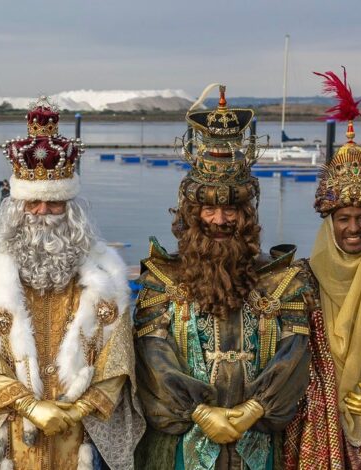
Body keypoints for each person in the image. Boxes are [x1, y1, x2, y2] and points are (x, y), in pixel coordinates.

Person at [0, 97, 144, 470]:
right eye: (33, 204)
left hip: (80, 437)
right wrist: (29, 406)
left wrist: (77, 409)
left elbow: (118, 358)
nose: (43, 214)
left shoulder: (103, 278)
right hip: (10, 434)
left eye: (53, 204)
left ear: (71, 209)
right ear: (17, 208)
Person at [133, 85, 314, 469]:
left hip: (258, 442)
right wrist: (199, 412)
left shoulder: (282, 280)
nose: (220, 220)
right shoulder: (161, 280)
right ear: (191, 211)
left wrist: (255, 408)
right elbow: (153, 358)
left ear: (247, 214)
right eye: (209, 209)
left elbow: (294, 354)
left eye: (232, 207)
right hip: (184, 445)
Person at [284, 70, 361, 469]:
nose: (354, 228)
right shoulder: (303, 280)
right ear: (329, 221)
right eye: (343, 218)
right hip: (318, 430)